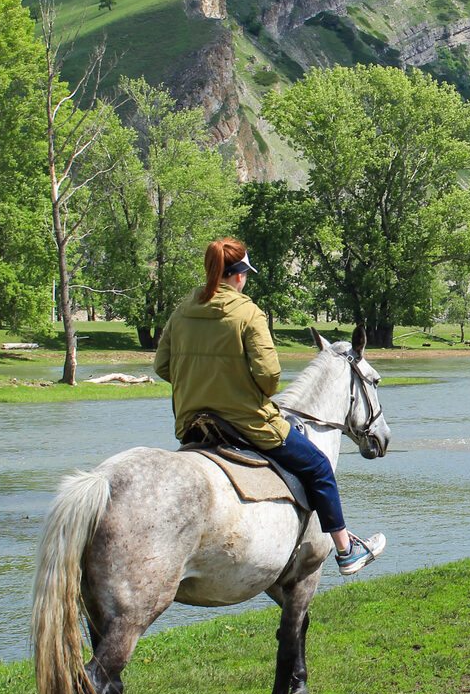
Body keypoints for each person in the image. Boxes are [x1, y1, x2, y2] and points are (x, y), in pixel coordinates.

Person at [154, 238, 384, 575]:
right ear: (238, 275)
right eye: (245, 274)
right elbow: (269, 378)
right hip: (244, 423)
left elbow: (162, 366)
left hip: (193, 424)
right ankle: (346, 550)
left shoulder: (182, 310)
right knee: (319, 467)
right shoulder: (247, 312)